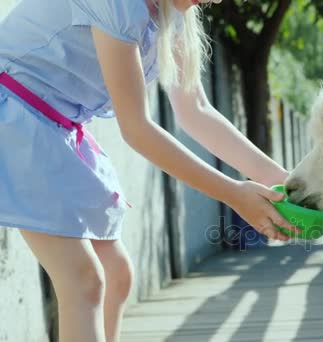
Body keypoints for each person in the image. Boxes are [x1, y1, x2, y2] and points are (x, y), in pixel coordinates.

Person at [0, 0, 300, 340]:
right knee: (83, 280)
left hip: (56, 126)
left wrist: (286, 182)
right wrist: (233, 194)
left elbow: (196, 110)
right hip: (14, 118)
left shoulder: (177, 16)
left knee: (117, 275)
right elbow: (137, 129)